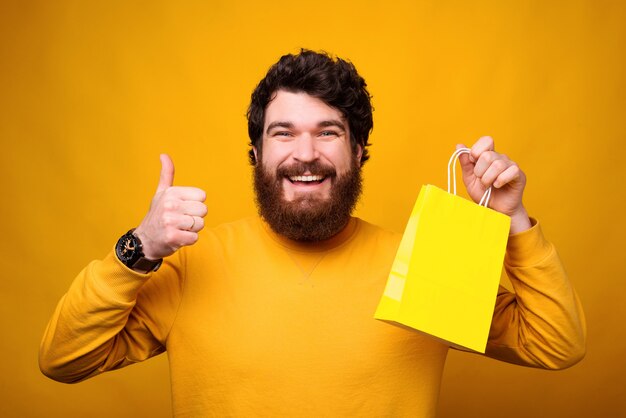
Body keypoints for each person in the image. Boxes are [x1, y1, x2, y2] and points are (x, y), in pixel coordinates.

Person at [40, 50, 586, 417]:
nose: (305, 154)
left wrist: (512, 219)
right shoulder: (190, 265)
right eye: (284, 134)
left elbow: (556, 345)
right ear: (256, 154)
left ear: (358, 151)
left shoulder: (423, 263)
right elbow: (63, 361)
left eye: (329, 132)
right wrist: (138, 250)